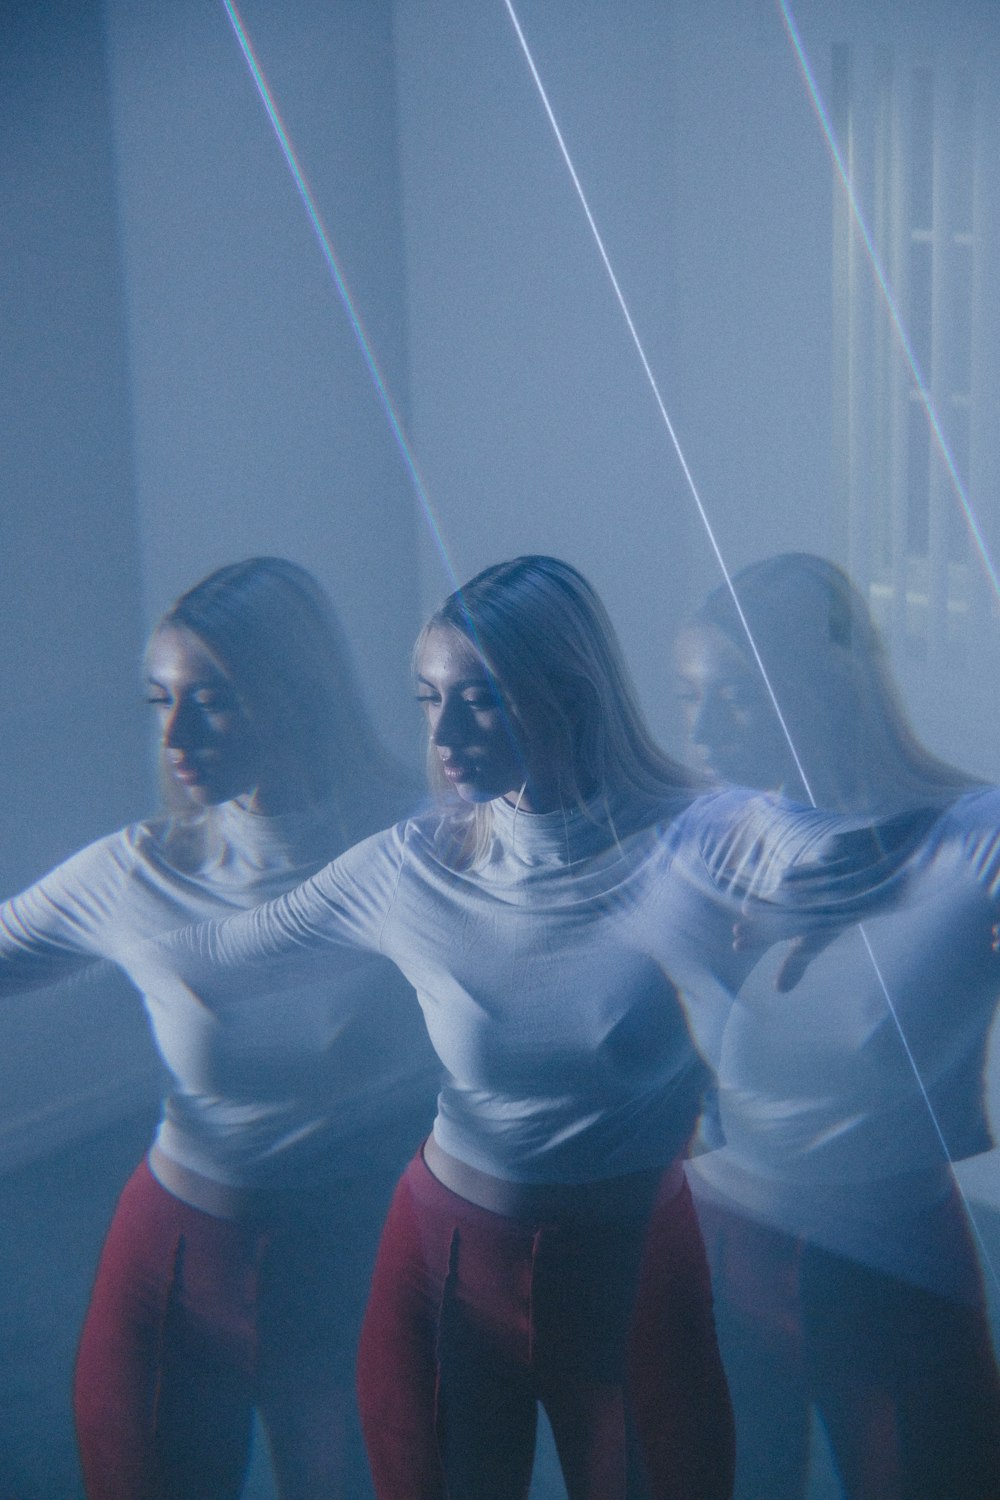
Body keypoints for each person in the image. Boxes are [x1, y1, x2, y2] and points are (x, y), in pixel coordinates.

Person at [132, 553, 934, 1500]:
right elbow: (227, 947)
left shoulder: (699, 833)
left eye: (483, 697)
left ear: (568, 692)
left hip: (632, 1265)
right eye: (431, 700)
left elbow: (837, 849)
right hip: (440, 1265)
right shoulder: (413, 862)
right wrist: (139, 893)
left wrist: (902, 871)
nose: (448, 732)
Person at [0, 557, 439, 1500]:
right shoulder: (139, 873)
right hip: (175, 1256)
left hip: (347, 1262)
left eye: (215, 700)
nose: (177, 735)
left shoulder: (420, 847)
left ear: (295, 694)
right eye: (160, 699)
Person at [674, 552, 1000, 1500]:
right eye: (687, 692)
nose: (697, 726)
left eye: (733, 694)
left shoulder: (971, 839)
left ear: (821, 686)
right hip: (722, 1247)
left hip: (888, 1263)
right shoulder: (705, 842)